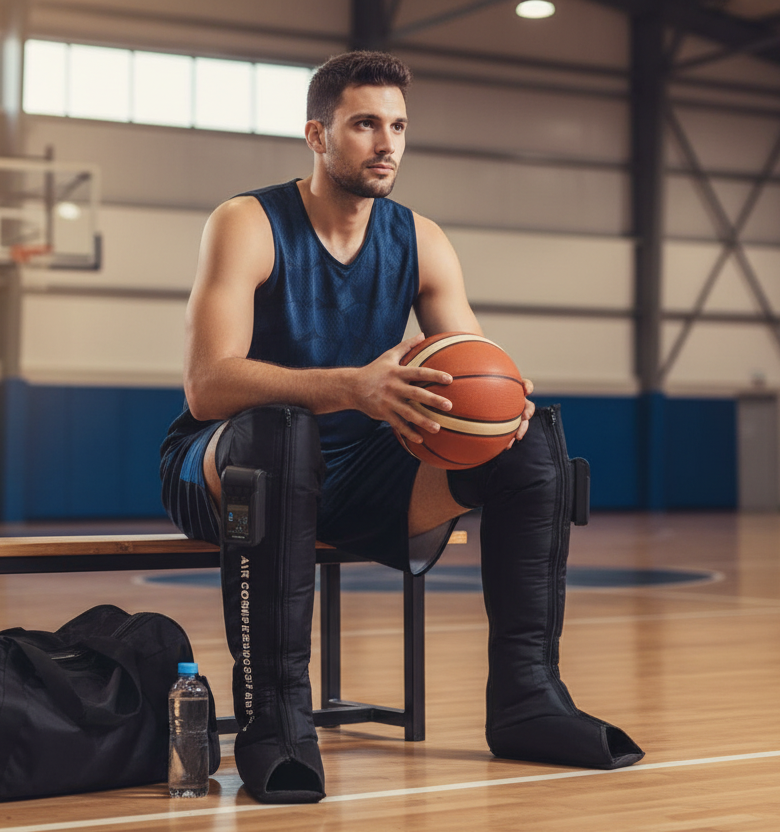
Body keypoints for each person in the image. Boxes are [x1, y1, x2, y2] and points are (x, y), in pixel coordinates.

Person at [159, 50, 643, 805]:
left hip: (354, 475)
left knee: (531, 439)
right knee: (281, 433)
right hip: (227, 468)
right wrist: (353, 386)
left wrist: (502, 399)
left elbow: (470, 365)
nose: (386, 143)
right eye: (363, 124)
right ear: (317, 135)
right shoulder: (247, 223)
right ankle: (275, 723)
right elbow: (208, 383)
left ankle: (528, 702)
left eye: (397, 126)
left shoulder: (421, 239)